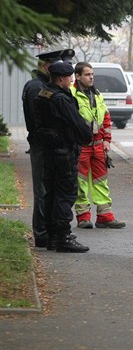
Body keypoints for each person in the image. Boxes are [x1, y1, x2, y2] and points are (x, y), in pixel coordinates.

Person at [32, 61, 93, 252]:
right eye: (70, 78)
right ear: (61, 79)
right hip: (64, 152)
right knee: (65, 194)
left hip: (50, 151)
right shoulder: (60, 98)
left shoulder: (42, 94)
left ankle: (52, 236)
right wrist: (86, 137)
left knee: (51, 193)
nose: (71, 81)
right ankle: (62, 236)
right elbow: (77, 123)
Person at [21, 49, 75, 247]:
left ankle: (51, 232)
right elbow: (40, 121)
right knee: (43, 190)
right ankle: (43, 233)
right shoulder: (37, 86)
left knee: (50, 189)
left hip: (49, 145)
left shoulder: (43, 84)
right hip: (43, 144)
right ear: (45, 66)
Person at [71, 62, 126, 229]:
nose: (91, 77)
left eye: (92, 74)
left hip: (98, 146)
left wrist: (107, 140)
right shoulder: (72, 94)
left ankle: (105, 216)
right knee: (81, 183)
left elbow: (106, 117)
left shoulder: (96, 94)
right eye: (87, 74)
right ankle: (83, 217)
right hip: (81, 145)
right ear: (78, 76)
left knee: (101, 181)